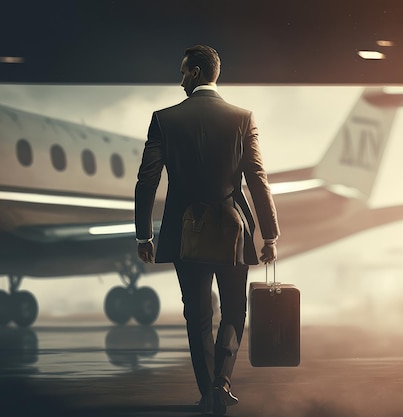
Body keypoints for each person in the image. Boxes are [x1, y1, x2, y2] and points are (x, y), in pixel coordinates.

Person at [134, 44, 279, 415]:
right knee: (233, 310)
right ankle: (223, 381)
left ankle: (206, 393)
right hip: (233, 229)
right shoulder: (242, 118)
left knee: (196, 314)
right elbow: (257, 179)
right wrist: (270, 234)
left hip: (186, 232)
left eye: (183, 72)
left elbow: (147, 180)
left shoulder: (164, 119)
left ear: (196, 73)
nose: (180, 79)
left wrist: (144, 235)